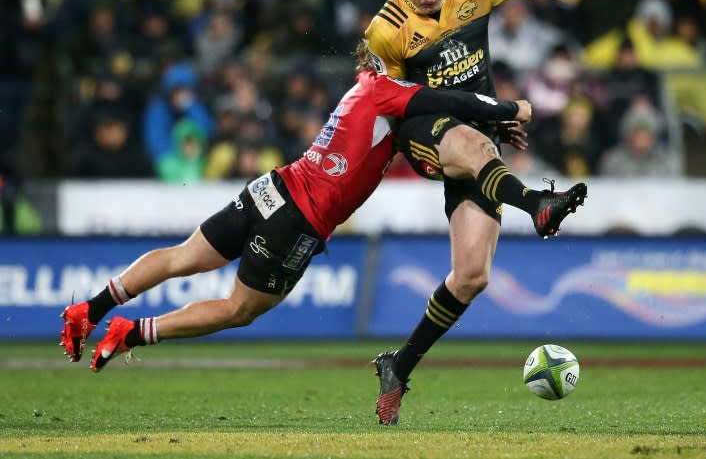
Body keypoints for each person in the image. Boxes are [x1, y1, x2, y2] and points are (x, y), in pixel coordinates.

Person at [58, 40, 532, 372]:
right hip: (299, 218)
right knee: (239, 309)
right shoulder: (392, 92)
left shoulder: (360, 88)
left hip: (273, 186)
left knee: (183, 255)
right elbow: (445, 97)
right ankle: (132, 333)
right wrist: (509, 110)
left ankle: (89, 309)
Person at [363, 0, 591, 425]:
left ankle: (397, 367)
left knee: (471, 276)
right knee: (476, 144)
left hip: (478, 137)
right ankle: (536, 204)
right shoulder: (385, 31)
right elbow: (389, 102)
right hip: (424, 134)